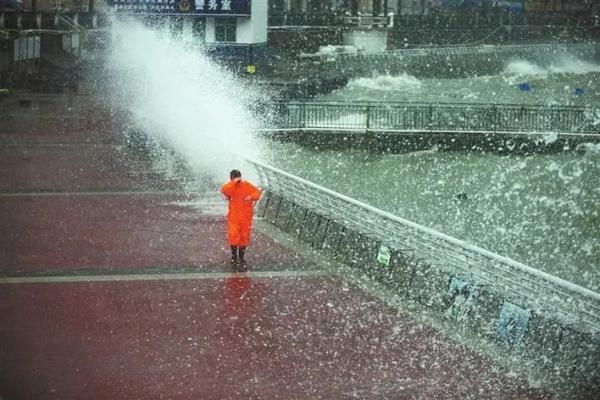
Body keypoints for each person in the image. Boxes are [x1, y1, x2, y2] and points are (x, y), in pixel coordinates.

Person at [221, 169, 261, 267]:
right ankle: (234, 256)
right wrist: (233, 183)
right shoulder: (230, 187)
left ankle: (241, 257)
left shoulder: (246, 185)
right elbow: (224, 190)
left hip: (246, 217)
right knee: (233, 236)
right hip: (234, 217)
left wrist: (251, 197)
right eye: (234, 178)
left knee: (244, 237)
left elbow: (257, 193)